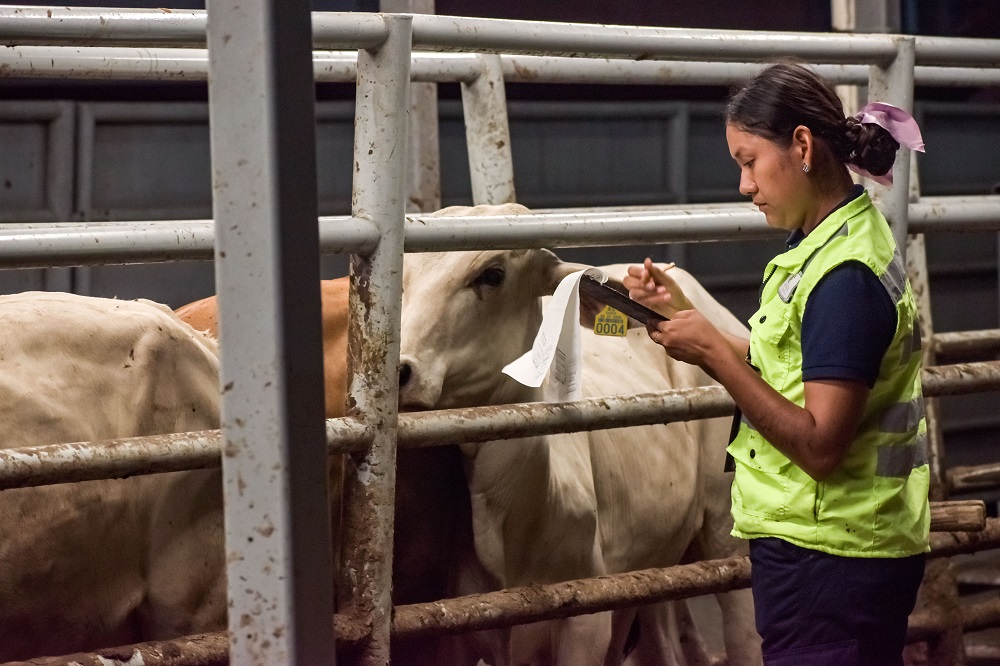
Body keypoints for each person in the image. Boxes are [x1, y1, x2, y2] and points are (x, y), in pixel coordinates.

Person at [624, 62, 929, 666]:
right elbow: (792, 367)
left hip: (833, 557)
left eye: (748, 160)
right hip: (835, 547)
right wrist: (690, 320)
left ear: (802, 146)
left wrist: (712, 354)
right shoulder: (827, 244)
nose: (743, 184)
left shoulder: (844, 279)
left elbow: (819, 445)